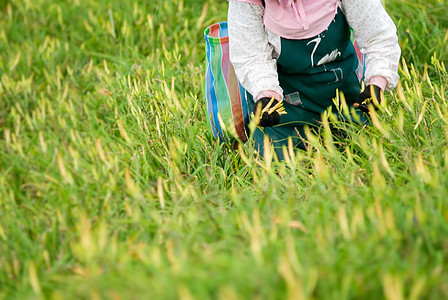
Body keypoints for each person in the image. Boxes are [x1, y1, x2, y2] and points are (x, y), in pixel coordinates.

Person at [228, 0, 401, 160]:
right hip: (285, 112)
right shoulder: (245, 3)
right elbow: (252, 57)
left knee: (367, 153)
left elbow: (378, 36)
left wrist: (377, 82)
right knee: (281, 171)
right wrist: (266, 93)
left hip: (347, 99)